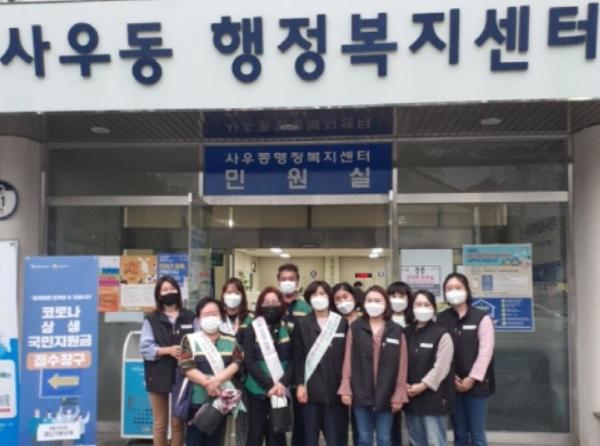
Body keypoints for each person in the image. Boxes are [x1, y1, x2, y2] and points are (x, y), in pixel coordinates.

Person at [338, 285, 408, 446]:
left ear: (386, 304)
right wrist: (345, 388)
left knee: (385, 438)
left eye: (378, 300)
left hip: (387, 393)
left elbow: (402, 365)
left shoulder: (397, 330)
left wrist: (399, 393)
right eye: (369, 300)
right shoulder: (356, 328)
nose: (373, 304)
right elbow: (347, 359)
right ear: (364, 303)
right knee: (363, 438)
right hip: (360, 391)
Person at [437, 273, 495, 446]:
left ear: (467, 290)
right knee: (459, 433)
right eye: (449, 288)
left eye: (458, 287)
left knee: (477, 433)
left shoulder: (482, 318)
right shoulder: (440, 319)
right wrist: (451, 376)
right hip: (452, 384)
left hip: (477, 385)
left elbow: (485, 352)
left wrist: (472, 378)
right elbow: (439, 352)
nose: (454, 291)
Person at [179, 298, 243, 446]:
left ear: (221, 316)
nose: (210, 318)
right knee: (194, 441)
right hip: (196, 400)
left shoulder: (231, 340)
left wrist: (217, 381)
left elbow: (237, 362)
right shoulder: (190, 339)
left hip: (221, 402)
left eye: (214, 314)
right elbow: (186, 366)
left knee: (215, 441)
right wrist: (209, 384)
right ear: (198, 318)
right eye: (206, 314)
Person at [140, 276, 195, 446]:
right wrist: (168, 350)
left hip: (184, 375)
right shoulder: (152, 319)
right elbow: (145, 348)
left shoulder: (189, 316)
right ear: (159, 294)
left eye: (172, 288)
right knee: (160, 423)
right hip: (158, 374)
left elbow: (199, 342)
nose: (169, 292)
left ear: (178, 291)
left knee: (178, 422)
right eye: (165, 289)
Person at [294, 281, 349, 446]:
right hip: (310, 391)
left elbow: (347, 357)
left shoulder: (341, 322)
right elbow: (298, 357)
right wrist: (300, 384)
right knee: (310, 439)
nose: (319, 297)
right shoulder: (302, 323)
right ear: (308, 299)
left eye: (322, 294)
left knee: (336, 439)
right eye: (314, 294)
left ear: (329, 296)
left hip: (336, 391)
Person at [243, 286, 293, 446]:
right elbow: (249, 360)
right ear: (260, 305)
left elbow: (295, 359)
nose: (270, 305)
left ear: (281, 304)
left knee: (277, 434)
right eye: (266, 302)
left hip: (281, 389)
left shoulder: (289, 327)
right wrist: (269, 385)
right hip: (256, 389)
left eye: (274, 302)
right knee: (255, 433)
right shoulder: (252, 327)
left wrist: (282, 383)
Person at [404, 289, 454, 446]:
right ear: (412, 307)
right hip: (411, 397)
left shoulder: (442, 334)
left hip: (433, 398)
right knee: (416, 441)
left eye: (426, 305)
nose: (422, 308)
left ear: (434, 308)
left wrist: (423, 385)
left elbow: (441, 367)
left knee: (435, 442)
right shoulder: (406, 332)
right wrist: (403, 384)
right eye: (418, 304)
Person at [277, 263, 311, 446]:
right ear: (278, 281)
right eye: (283, 279)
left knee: (301, 417)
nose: (287, 282)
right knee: (276, 416)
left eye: (291, 279)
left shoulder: (306, 308)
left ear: (297, 282)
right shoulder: (273, 305)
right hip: (276, 368)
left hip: (300, 368)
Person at [219, 277, 254, 446]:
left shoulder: (251, 318)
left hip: (243, 377)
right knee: (218, 419)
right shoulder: (217, 317)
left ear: (242, 296)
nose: (232, 296)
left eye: (236, 292)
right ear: (223, 295)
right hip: (220, 376)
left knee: (243, 419)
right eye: (228, 292)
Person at [386, 281, 413, 446]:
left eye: (401, 296)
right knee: (392, 423)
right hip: (391, 379)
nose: (397, 299)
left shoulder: (415, 320)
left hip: (413, 379)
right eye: (393, 296)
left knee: (414, 424)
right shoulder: (383, 320)